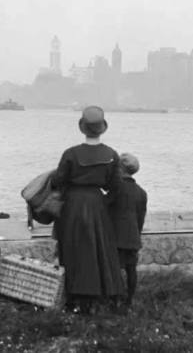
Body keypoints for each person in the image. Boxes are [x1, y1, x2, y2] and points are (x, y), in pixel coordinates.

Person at [51, 106, 124, 313]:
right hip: (96, 203)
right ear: (102, 129)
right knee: (99, 250)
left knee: (73, 249)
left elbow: (58, 180)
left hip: (73, 204)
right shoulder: (111, 154)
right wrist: (103, 203)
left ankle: (74, 296)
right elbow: (116, 186)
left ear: (82, 127)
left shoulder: (71, 153)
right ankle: (101, 295)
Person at [107, 153, 147, 307]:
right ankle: (129, 300)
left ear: (120, 168)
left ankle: (114, 299)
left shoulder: (117, 188)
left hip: (116, 237)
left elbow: (105, 206)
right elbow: (140, 218)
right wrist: (137, 234)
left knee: (114, 269)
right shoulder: (141, 192)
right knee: (131, 269)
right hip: (133, 237)